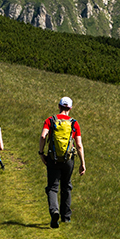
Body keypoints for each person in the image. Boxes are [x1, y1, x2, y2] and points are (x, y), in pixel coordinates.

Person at [38, 95, 86, 229]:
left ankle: (54, 211)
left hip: (53, 159)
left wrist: (41, 153)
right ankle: (66, 217)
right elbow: (79, 145)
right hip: (68, 160)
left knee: (52, 187)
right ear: (70, 108)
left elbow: (43, 136)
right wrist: (82, 163)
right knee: (66, 186)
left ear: (59, 106)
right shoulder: (74, 123)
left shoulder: (50, 120)